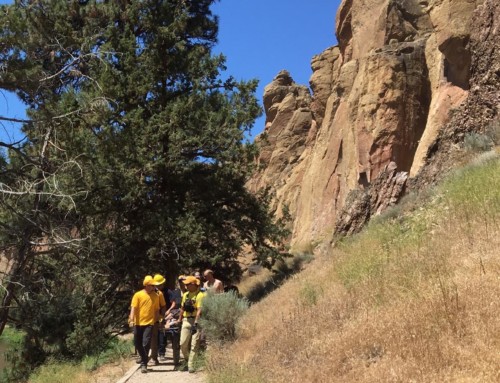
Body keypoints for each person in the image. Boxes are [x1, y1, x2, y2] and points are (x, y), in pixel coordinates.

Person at [128, 275, 160, 374]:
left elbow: (156, 309)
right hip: (138, 323)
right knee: (137, 343)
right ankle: (145, 358)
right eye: (152, 285)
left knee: (146, 343)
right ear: (147, 285)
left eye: (154, 285)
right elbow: (133, 308)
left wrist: (157, 321)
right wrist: (131, 319)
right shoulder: (138, 295)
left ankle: (143, 364)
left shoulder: (156, 296)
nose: (154, 287)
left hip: (149, 323)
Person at [177, 275, 204, 373]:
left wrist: (196, 323)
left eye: (188, 284)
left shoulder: (200, 295)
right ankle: (188, 360)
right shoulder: (186, 295)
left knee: (194, 344)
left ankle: (191, 365)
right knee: (183, 344)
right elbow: (182, 308)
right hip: (186, 320)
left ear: (193, 284)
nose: (186, 286)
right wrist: (179, 320)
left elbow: (200, 310)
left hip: (197, 321)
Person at [150, 274, 168, 365]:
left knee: (155, 339)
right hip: (145, 319)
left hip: (156, 319)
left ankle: (154, 357)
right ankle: (148, 357)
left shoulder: (159, 294)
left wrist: (161, 317)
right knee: (147, 339)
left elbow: (163, 306)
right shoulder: (145, 292)